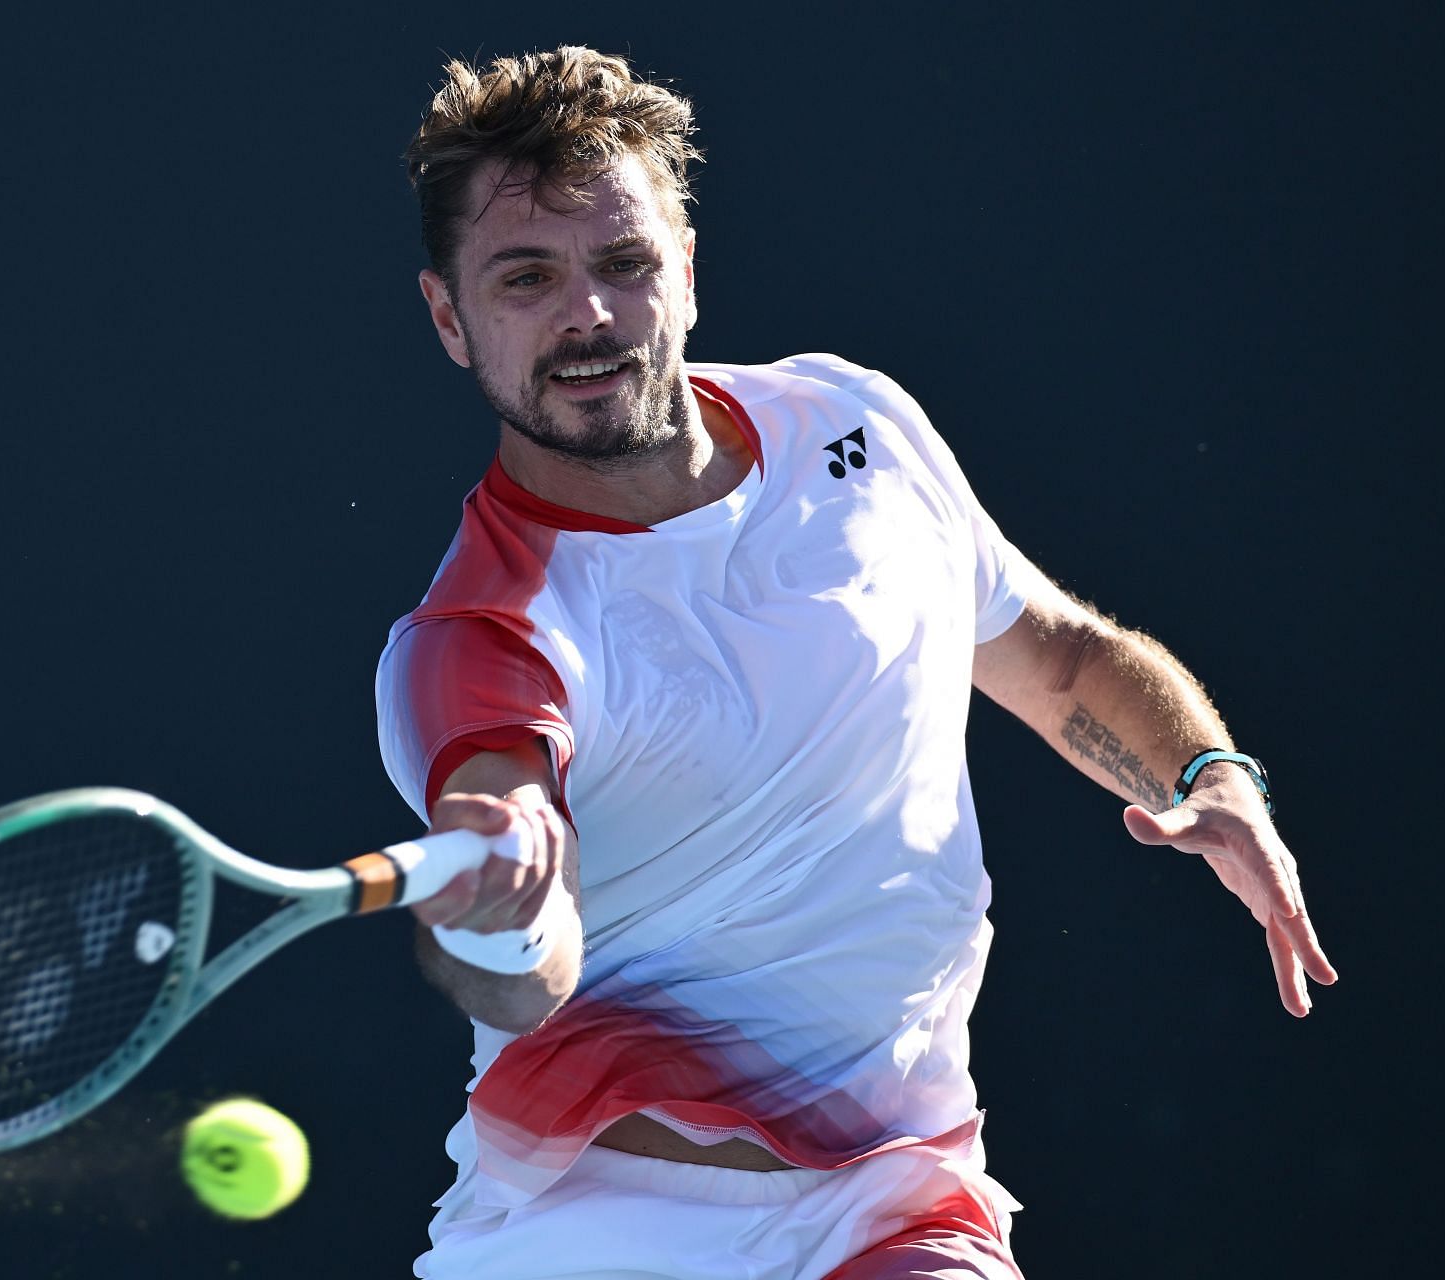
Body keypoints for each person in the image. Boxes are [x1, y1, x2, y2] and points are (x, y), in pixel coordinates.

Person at [373, 46, 1336, 1280]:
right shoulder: (483, 634)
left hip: (897, 1207)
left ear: (687, 270)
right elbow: (506, 857)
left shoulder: (856, 427)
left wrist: (1206, 769)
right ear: (449, 317)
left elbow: (1058, 655)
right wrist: (505, 912)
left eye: (625, 263)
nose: (591, 315)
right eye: (526, 278)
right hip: (597, 1231)